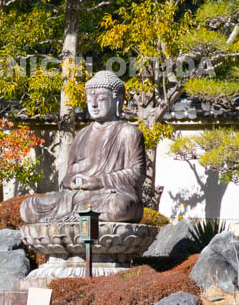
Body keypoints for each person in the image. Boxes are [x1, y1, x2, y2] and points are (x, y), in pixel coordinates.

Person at [21, 70, 146, 224]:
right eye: (89, 100)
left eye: (101, 99)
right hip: (76, 197)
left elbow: (137, 174)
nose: (94, 104)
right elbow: (67, 177)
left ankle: (75, 217)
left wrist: (99, 182)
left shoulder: (128, 132)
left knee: (120, 206)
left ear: (117, 100)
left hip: (109, 195)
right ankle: (79, 216)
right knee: (28, 206)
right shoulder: (82, 135)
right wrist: (73, 181)